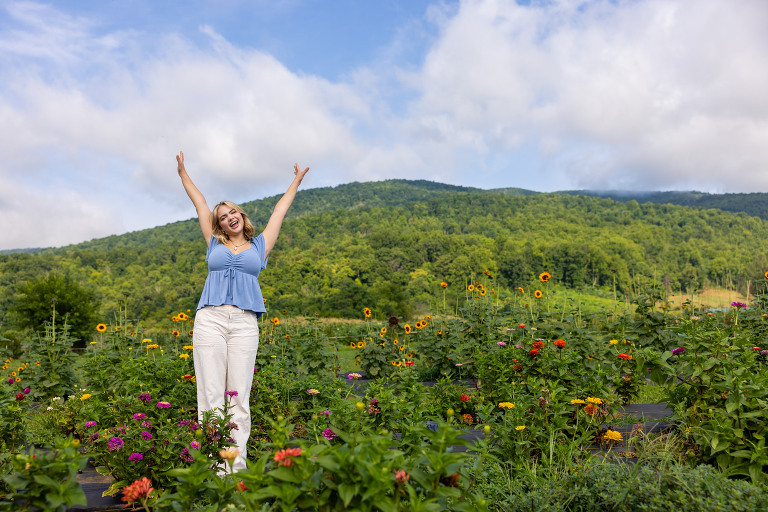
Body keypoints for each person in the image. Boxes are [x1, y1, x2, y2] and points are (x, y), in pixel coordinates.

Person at [176, 150, 309, 471]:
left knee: (238, 397)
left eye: (232, 212)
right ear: (218, 224)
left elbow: (280, 210)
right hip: (210, 319)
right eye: (222, 216)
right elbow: (200, 203)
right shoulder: (214, 244)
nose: (228, 217)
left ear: (242, 216)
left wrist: (296, 181)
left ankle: (235, 470)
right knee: (210, 394)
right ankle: (213, 468)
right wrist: (182, 172)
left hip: (245, 323)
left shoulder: (260, 246)